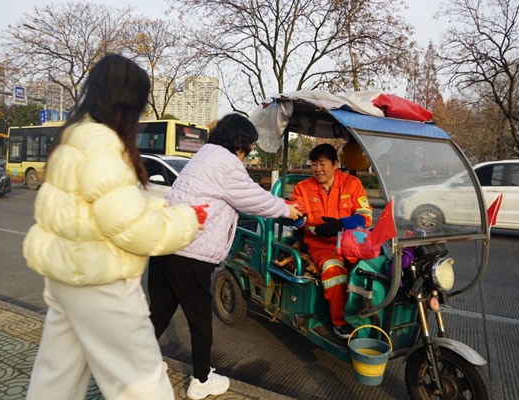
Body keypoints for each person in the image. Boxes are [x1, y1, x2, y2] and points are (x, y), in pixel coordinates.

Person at [23, 54, 201, 400]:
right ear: (127, 103)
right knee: (142, 384)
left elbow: (95, 208)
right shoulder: (103, 145)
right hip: (101, 281)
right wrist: (188, 219)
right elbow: (132, 230)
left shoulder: (73, 138)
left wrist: (157, 207)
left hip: (65, 278)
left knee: (56, 380)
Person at [147, 113, 302, 400]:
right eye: (249, 145)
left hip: (165, 244)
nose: (249, 152)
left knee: (158, 312)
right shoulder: (226, 163)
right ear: (240, 141)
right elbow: (254, 199)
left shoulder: (204, 156)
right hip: (190, 253)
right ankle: (201, 380)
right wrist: (287, 209)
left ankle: (136, 365)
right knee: (200, 320)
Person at [288, 143, 372, 339]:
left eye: (322, 163)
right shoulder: (303, 188)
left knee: (374, 269)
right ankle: (339, 322)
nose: (317, 169)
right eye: (313, 164)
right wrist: (294, 218)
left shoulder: (352, 184)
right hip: (321, 245)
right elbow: (298, 218)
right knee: (334, 271)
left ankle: (368, 317)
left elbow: (365, 216)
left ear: (335, 164)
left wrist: (341, 224)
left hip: (353, 243)